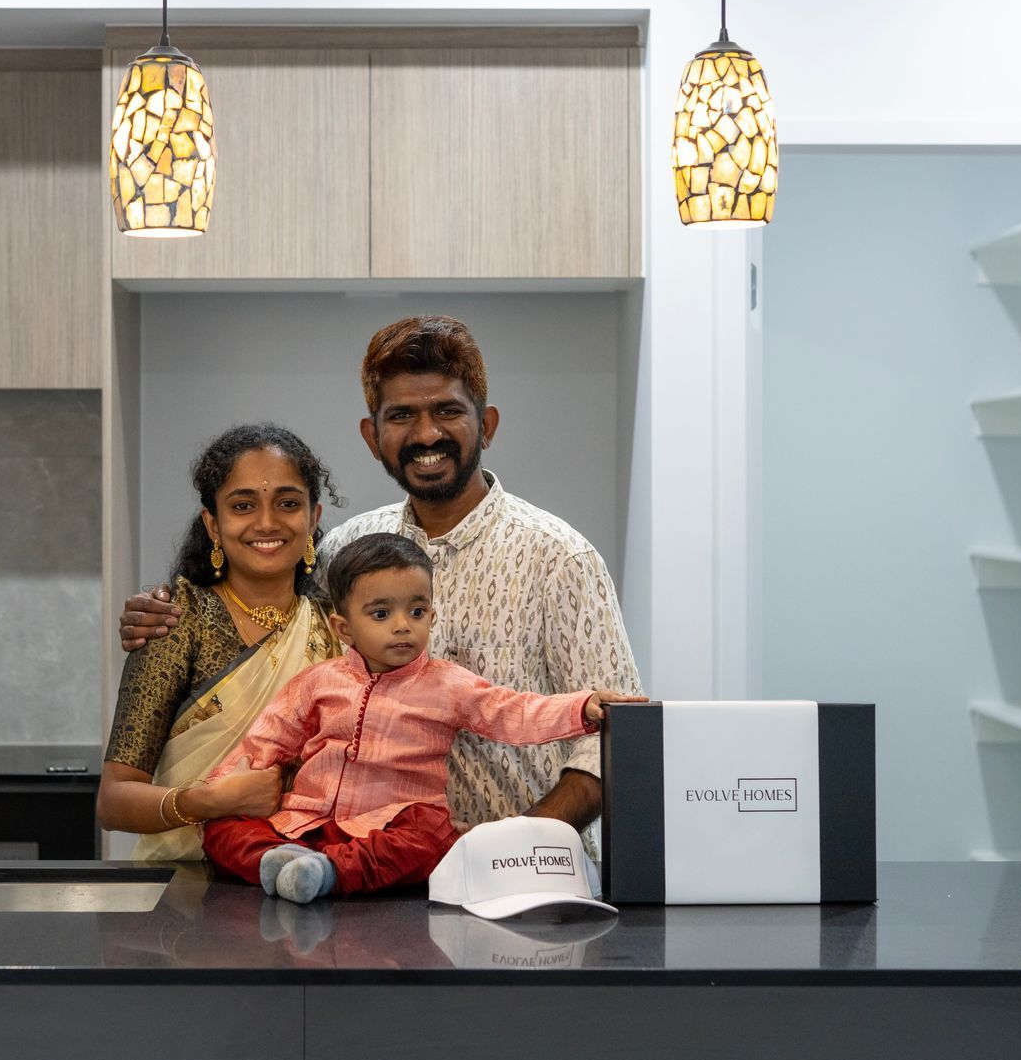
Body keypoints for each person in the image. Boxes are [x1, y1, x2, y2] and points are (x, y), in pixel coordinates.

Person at [122, 316, 644, 850]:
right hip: (361, 888)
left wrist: (510, 848)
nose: (426, 434)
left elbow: (616, 738)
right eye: (401, 416)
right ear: (373, 437)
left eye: (447, 411)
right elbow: (262, 601)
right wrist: (163, 604)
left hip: (522, 887)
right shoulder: (344, 550)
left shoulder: (559, 557)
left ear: (486, 424)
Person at [201, 533, 643, 903]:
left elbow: (512, 711)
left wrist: (580, 707)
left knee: (433, 835)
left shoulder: (446, 684)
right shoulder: (317, 681)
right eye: (381, 614)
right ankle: (271, 862)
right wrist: (223, 787)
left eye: (416, 612)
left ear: (431, 616)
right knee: (221, 828)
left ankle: (327, 874)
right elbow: (267, 740)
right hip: (307, 824)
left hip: (391, 826)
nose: (402, 626)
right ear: (344, 629)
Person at [96, 423, 343, 860]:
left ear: (313, 518)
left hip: (314, 882)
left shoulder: (337, 628)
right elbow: (113, 801)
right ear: (213, 524)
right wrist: (210, 802)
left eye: (287, 503)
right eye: (243, 505)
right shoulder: (176, 623)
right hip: (186, 898)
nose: (267, 522)